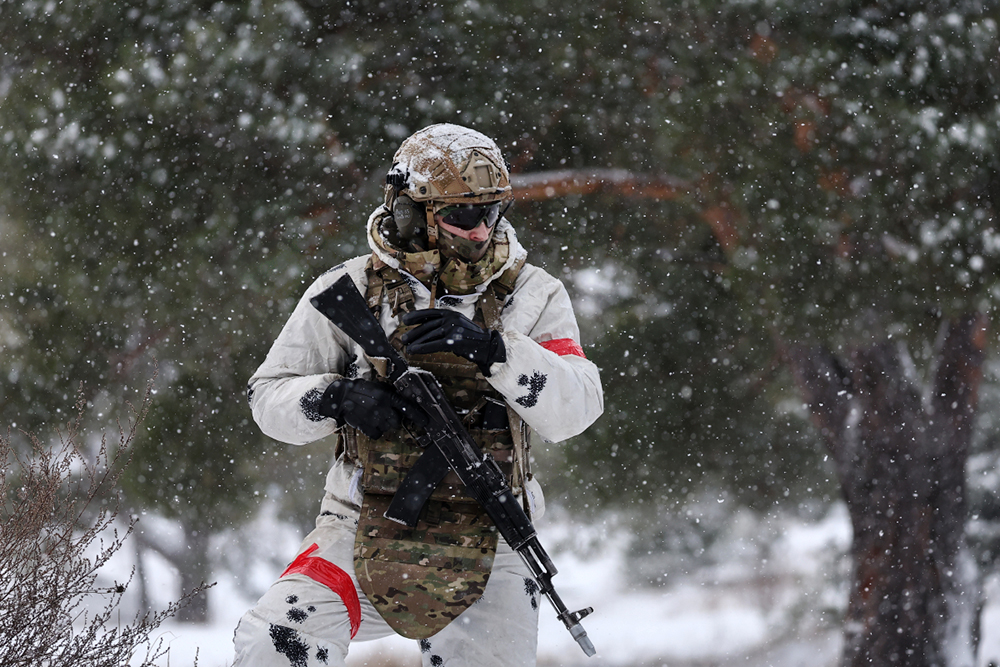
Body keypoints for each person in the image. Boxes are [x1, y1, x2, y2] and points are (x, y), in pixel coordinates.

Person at [233, 123, 604, 667]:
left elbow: (578, 406)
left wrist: (496, 351)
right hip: (362, 524)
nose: (480, 232)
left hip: (494, 535)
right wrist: (335, 398)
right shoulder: (352, 288)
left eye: (491, 213)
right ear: (411, 213)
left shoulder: (533, 294)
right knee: (275, 641)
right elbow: (268, 397)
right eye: (462, 215)